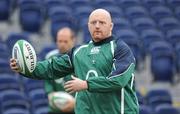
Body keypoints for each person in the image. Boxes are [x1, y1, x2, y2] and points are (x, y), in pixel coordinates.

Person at [10, 9, 139, 114]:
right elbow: (51, 68)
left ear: (111, 26)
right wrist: (24, 68)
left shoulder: (121, 49)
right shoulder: (79, 52)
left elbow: (118, 80)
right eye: (93, 22)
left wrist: (86, 84)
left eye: (102, 22)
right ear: (88, 26)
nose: (97, 26)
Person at [44, 27, 76, 114]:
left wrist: (76, 103)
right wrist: (51, 95)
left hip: (75, 108)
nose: (62, 44)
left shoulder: (80, 58)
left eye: (65, 41)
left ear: (73, 40)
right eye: (59, 41)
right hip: (56, 109)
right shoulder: (50, 58)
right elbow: (48, 84)